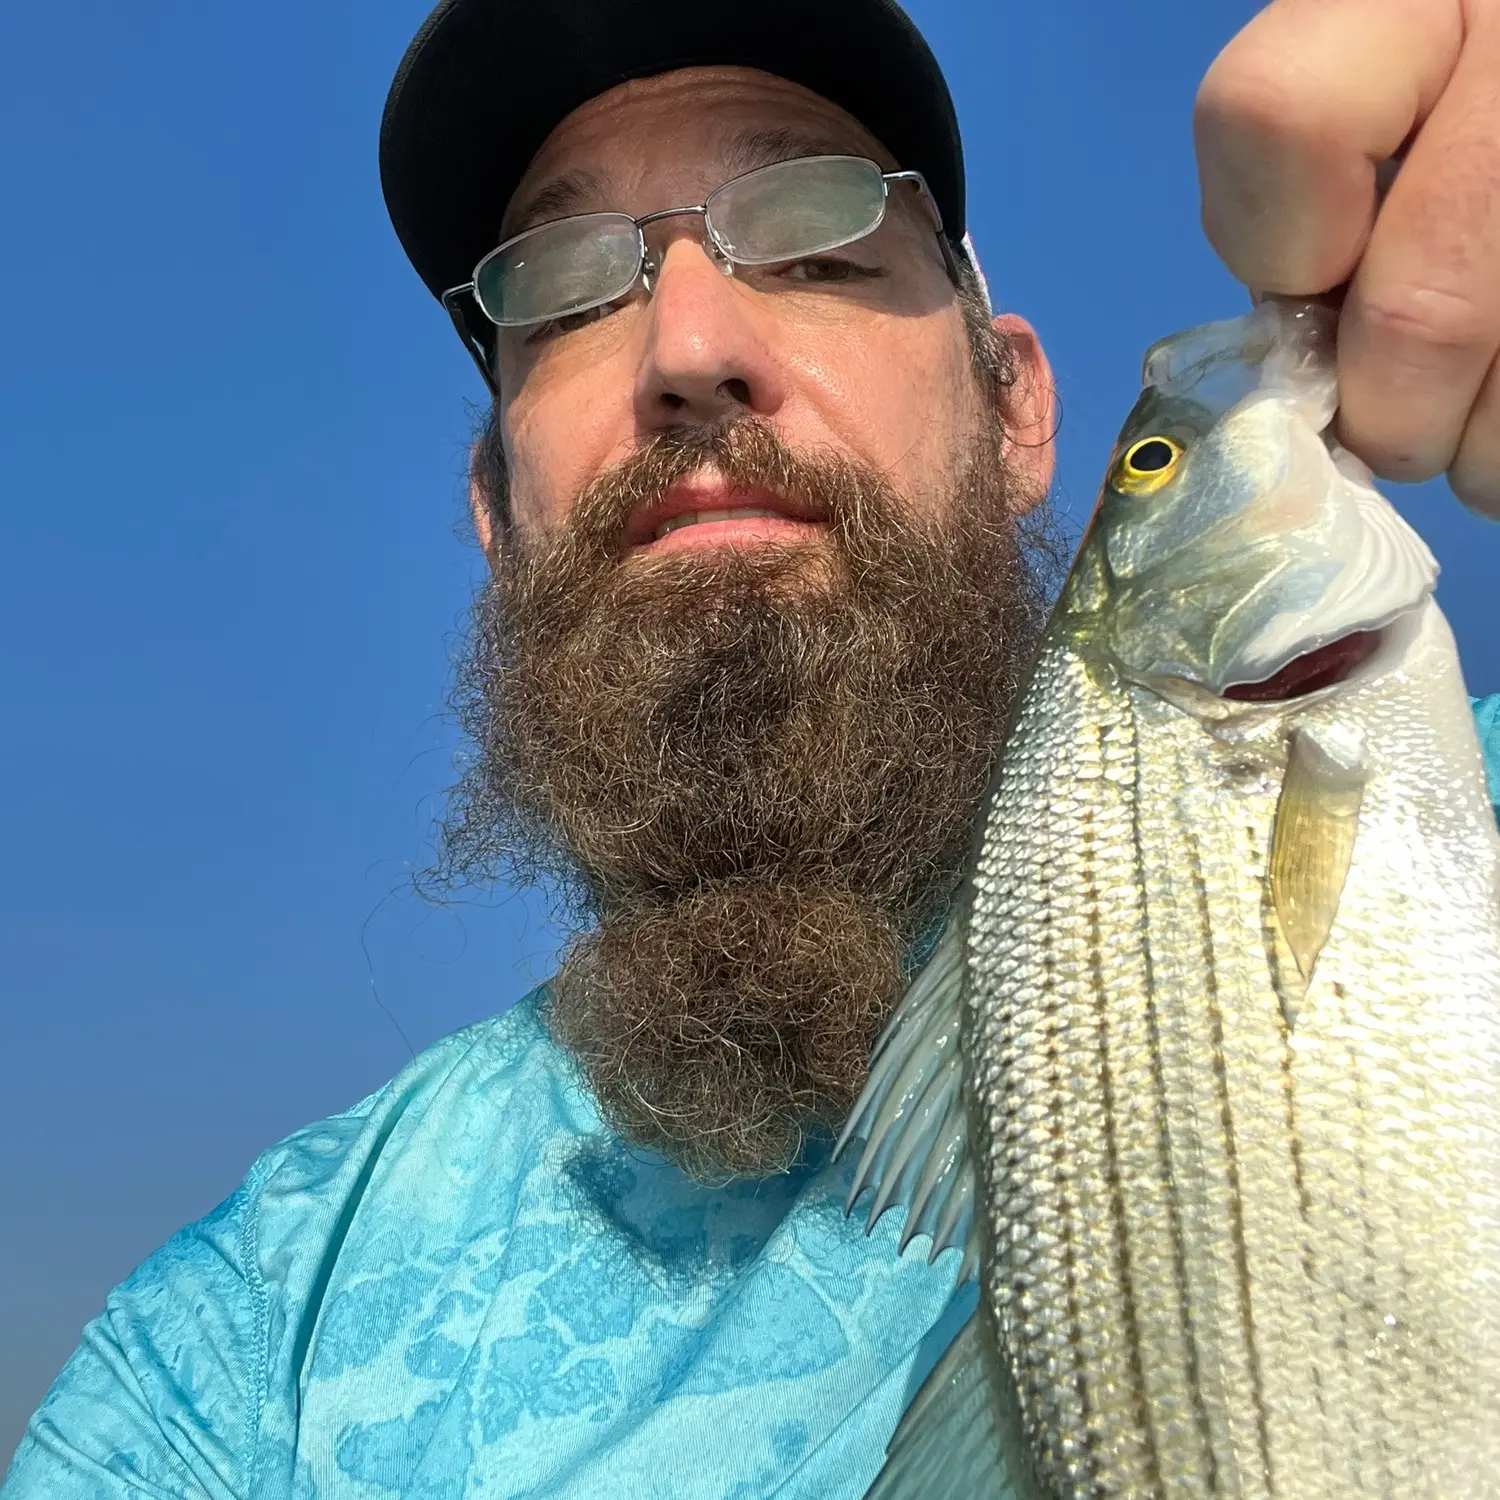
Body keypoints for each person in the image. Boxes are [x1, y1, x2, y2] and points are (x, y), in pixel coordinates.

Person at [5, 0, 1498, 1495]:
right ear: (494, 511)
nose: (691, 346)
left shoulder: (1454, 811)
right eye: (566, 291)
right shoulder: (236, 1360)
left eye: (820, 237)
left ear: (1018, 408)